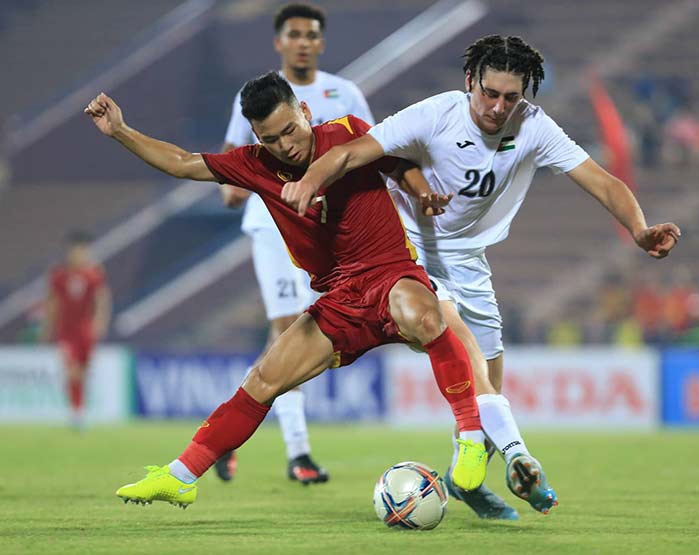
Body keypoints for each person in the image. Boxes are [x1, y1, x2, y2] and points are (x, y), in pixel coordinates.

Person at [281, 34, 681, 518]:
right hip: (407, 251)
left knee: (490, 381)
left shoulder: (533, 126)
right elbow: (350, 152)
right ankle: (521, 458)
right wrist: (308, 182)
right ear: (470, 81)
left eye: (511, 97)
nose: (497, 107)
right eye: (489, 93)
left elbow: (602, 181)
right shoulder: (436, 115)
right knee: (469, 359)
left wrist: (639, 229)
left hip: (469, 261)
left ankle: (463, 479)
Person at [84, 72, 487, 509]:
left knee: (423, 315)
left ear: (305, 112)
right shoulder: (254, 163)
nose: (285, 145)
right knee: (263, 379)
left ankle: (470, 437)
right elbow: (182, 162)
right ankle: (181, 476)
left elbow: (400, 164)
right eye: (270, 138)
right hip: (340, 299)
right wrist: (120, 131)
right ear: (257, 136)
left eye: (290, 130)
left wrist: (423, 194)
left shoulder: (348, 132)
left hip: (391, 273)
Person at [215, 2, 375, 484]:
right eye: (294, 34)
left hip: (329, 231)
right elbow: (233, 156)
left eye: (311, 35)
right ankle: (298, 452)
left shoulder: (344, 93)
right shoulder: (256, 97)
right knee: (289, 329)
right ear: (279, 42)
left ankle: (228, 427)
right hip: (272, 225)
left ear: (321, 43)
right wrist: (232, 187)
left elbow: (371, 147)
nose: (303, 42)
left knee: (304, 335)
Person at [43, 231, 111, 429]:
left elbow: (102, 299)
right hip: (66, 331)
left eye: (82, 251)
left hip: (85, 330)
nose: (79, 255)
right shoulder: (59, 275)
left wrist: (100, 322)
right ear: (69, 253)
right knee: (71, 370)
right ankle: (76, 413)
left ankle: (79, 409)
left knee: (82, 372)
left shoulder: (93, 274)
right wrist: (48, 327)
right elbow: (52, 302)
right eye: (75, 251)